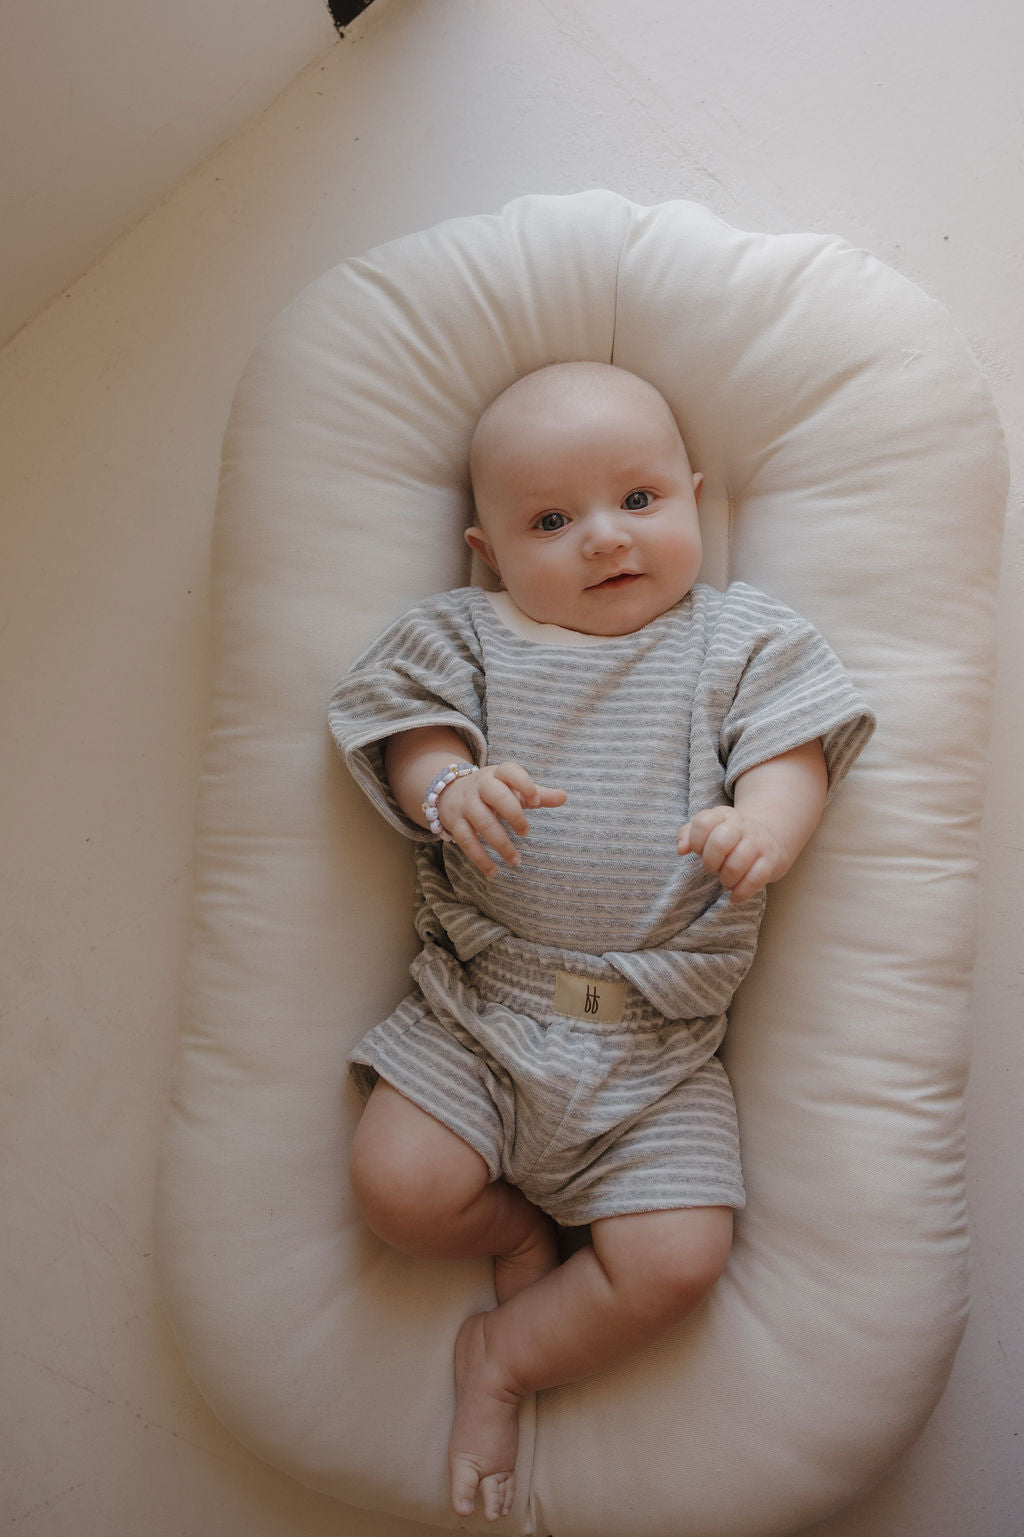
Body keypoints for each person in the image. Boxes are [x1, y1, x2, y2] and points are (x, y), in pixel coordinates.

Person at [328, 362, 874, 1522]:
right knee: (397, 1186)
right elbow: (407, 730)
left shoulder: (738, 639)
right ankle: (515, 1227)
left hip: (659, 1050)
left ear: (692, 492)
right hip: (481, 1009)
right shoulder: (468, 635)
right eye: (549, 520)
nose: (602, 542)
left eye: (636, 502)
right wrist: (448, 788)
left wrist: (761, 824)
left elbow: (795, 750)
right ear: (486, 550)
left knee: (676, 1259)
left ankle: (508, 1356)